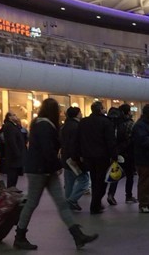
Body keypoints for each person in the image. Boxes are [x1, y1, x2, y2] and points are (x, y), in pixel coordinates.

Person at [13, 99, 98, 250]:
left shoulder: (40, 124)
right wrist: (57, 165)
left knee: (59, 203)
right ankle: (19, 236)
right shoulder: (45, 125)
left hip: (43, 170)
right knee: (33, 203)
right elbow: (48, 150)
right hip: (40, 170)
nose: (60, 113)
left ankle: (77, 235)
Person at [77, 101, 117, 214]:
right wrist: (114, 155)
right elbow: (110, 140)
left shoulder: (83, 122)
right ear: (100, 110)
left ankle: (96, 203)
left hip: (88, 156)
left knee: (94, 179)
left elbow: (79, 139)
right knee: (102, 181)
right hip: (102, 156)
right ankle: (95, 204)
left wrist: (80, 154)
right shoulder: (106, 122)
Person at [59, 107, 89, 211]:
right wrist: (79, 157)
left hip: (66, 157)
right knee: (84, 180)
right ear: (77, 114)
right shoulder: (77, 126)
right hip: (74, 159)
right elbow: (77, 144)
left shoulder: (64, 126)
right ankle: (72, 200)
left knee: (69, 182)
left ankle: (68, 203)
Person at [107, 104, 137, 205]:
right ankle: (128, 196)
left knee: (115, 173)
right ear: (128, 112)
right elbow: (131, 138)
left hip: (115, 152)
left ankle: (111, 194)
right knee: (130, 175)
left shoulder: (113, 123)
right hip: (127, 152)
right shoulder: (129, 123)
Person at [0, 112, 26, 188]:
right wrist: (17, 153)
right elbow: (12, 141)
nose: (16, 116)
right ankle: (11, 191)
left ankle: (12, 190)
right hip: (13, 156)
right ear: (9, 117)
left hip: (15, 155)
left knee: (14, 176)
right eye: (14, 115)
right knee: (12, 176)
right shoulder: (9, 126)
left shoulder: (14, 126)